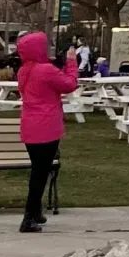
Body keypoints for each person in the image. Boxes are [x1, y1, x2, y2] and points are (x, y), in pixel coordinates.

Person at [15, 29, 77, 233]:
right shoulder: (45, 70)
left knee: (38, 169)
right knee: (40, 173)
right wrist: (71, 62)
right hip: (47, 126)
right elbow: (69, 85)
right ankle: (28, 217)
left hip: (30, 126)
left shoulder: (25, 70)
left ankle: (35, 212)